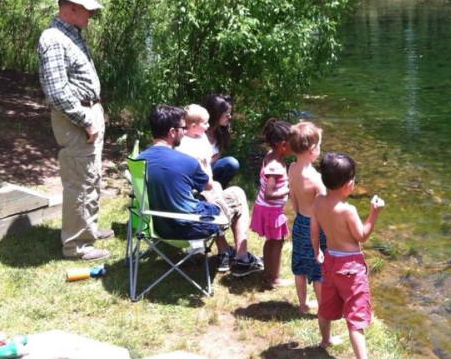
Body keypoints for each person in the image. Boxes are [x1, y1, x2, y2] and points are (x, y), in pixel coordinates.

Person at [138, 105, 263, 277]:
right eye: (183, 127)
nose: (184, 131)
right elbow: (209, 186)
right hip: (188, 227)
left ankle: (225, 250)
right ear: (172, 132)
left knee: (203, 197)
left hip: (155, 225)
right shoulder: (186, 162)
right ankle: (242, 258)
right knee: (237, 193)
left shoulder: (139, 159)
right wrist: (204, 168)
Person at [37, 0, 112, 261]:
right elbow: (57, 92)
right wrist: (86, 120)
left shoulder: (72, 32)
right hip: (77, 119)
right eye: (87, 9)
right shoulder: (53, 39)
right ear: (71, 8)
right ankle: (76, 246)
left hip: (88, 113)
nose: (91, 15)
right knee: (79, 180)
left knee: (91, 175)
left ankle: (88, 228)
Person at [311, 153, 385, 359]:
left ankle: (325, 340)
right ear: (348, 184)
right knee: (355, 317)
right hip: (350, 266)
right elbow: (362, 235)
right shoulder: (348, 210)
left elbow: (314, 229)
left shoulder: (318, 202)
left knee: (325, 307)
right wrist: (374, 213)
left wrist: (316, 250)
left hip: (330, 261)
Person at [176, 103, 236, 272]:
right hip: (196, 187)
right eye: (206, 123)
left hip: (207, 180)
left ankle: (226, 241)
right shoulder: (184, 144)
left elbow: (208, 158)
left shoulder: (201, 138)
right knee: (213, 199)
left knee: (216, 189)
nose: (209, 126)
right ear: (193, 126)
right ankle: (223, 236)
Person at [288, 121, 327, 313]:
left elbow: (293, 197)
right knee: (318, 270)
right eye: (319, 146)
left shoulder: (292, 169)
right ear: (312, 150)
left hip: (300, 222)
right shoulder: (316, 179)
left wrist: (298, 214)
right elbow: (325, 207)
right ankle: (323, 310)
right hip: (316, 227)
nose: (320, 149)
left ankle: (303, 305)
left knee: (300, 266)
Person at [250, 118, 293, 288]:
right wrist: (289, 189)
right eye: (293, 143)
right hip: (271, 210)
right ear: (283, 145)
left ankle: (268, 274)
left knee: (272, 241)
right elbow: (269, 194)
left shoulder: (271, 155)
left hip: (264, 208)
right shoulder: (275, 166)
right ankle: (274, 279)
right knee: (276, 242)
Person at [204, 93, 239, 188]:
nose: (230, 117)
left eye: (230, 114)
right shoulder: (199, 131)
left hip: (209, 168)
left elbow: (217, 156)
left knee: (232, 163)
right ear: (216, 114)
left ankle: (218, 190)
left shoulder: (222, 132)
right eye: (227, 114)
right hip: (197, 171)